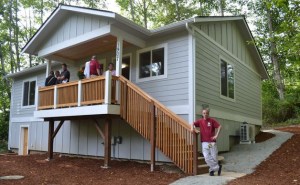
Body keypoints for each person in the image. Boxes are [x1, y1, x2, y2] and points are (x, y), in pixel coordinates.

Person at [191, 108, 222, 176]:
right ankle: (218, 167)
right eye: (204, 113)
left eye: (207, 113)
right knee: (206, 157)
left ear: (208, 114)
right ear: (202, 114)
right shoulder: (200, 121)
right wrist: (192, 128)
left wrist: (216, 135)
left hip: (211, 142)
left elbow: (219, 126)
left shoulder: (212, 121)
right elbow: (193, 123)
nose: (205, 114)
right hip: (204, 142)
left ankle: (211, 171)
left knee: (214, 156)